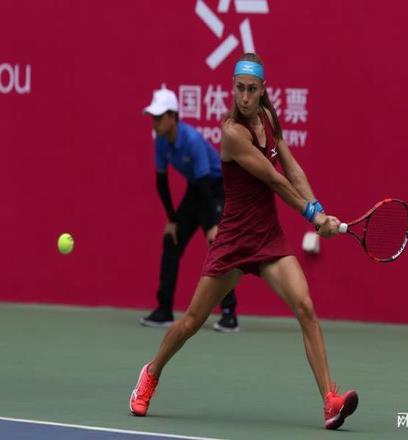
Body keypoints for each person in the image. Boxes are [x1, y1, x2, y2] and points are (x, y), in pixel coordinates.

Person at [130, 54, 359, 430]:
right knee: (191, 322)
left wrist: (319, 209)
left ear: (263, 90)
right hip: (234, 242)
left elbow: (290, 166)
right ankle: (151, 373)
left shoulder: (267, 118)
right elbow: (273, 178)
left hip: (268, 238)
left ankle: (329, 401)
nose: (246, 97)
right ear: (232, 88)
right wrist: (312, 217)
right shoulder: (232, 133)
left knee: (305, 307)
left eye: (252, 89)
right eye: (240, 89)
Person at [140, 84, 239, 332]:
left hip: (217, 188)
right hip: (197, 190)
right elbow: (161, 182)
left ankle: (229, 315)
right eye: (153, 117)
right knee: (171, 240)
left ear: (173, 116)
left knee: (217, 244)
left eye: (159, 117)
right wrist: (172, 218)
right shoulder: (160, 141)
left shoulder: (192, 139)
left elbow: (206, 183)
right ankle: (164, 310)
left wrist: (212, 224)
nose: (154, 122)